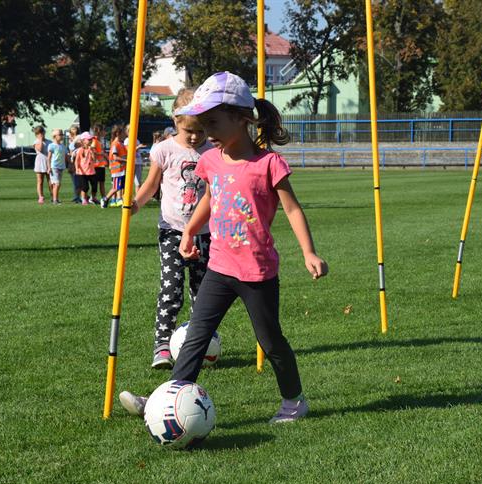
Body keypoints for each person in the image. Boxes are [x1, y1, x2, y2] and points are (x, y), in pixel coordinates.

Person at [119, 71, 328, 423]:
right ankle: (166, 399)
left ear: (241, 118)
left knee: (271, 341)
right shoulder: (211, 161)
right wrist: (189, 232)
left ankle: (294, 401)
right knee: (195, 336)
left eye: (213, 122)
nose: (207, 132)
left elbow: (292, 208)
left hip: (257, 273)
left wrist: (309, 252)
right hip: (219, 266)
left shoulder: (268, 164)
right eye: (203, 123)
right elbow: (210, 200)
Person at [129, 88, 213, 368]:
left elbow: (216, 191)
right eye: (189, 130)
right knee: (171, 287)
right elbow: (151, 185)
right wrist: (135, 204)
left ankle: (199, 342)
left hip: (205, 234)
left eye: (200, 130)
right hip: (171, 231)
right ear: (176, 121)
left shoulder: (212, 151)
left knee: (203, 293)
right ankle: (162, 345)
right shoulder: (164, 149)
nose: (194, 136)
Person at [101, 124, 126, 209]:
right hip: (117, 170)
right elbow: (115, 157)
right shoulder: (115, 144)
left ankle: (124, 202)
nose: (125, 134)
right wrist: (127, 161)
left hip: (122, 169)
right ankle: (105, 199)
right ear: (118, 133)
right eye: (123, 133)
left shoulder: (121, 144)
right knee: (116, 187)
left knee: (124, 187)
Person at [74, 132, 96, 205]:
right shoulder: (80, 150)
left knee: (94, 186)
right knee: (85, 187)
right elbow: (77, 160)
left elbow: (94, 159)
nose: (90, 141)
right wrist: (77, 168)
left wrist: (91, 151)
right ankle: (83, 199)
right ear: (83, 141)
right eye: (88, 139)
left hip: (91, 171)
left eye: (91, 139)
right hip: (82, 172)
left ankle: (93, 198)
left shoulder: (92, 149)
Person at [47, 128, 68, 205]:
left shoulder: (63, 146)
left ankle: (55, 198)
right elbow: (48, 158)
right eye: (60, 134)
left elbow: (66, 156)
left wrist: (71, 164)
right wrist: (49, 167)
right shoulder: (51, 146)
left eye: (62, 134)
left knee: (58, 184)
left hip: (61, 167)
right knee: (57, 184)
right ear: (55, 136)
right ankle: (55, 200)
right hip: (54, 167)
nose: (62, 136)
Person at [32, 126, 51, 204]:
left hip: (48, 162)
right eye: (38, 133)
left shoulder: (49, 142)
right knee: (40, 181)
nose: (41, 134)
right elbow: (39, 149)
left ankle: (53, 195)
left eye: (42, 132)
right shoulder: (36, 142)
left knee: (50, 180)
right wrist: (40, 140)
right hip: (40, 162)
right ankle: (41, 196)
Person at [124, 123, 146, 188]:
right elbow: (129, 151)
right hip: (131, 163)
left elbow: (138, 152)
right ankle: (126, 196)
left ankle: (137, 197)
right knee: (129, 181)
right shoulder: (127, 140)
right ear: (128, 132)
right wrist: (138, 147)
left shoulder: (137, 140)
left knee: (138, 182)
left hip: (138, 162)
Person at [91, 124, 107, 204]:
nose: (105, 132)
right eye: (104, 130)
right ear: (99, 131)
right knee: (96, 183)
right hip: (96, 165)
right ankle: (93, 197)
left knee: (102, 182)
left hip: (101, 165)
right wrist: (101, 154)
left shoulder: (100, 141)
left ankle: (104, 197)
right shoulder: (95, 140)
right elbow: (93, 150)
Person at [67, 125, 82, 203]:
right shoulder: (71, 139)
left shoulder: (79, 137)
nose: (74, 130)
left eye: (75, 129)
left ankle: (79, 196)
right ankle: (77, 196)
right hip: (73, 161)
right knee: (74, 180)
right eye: (72, 129)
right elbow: (70, 152)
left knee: (78, 180)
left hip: (78, 160)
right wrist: (70, 163)